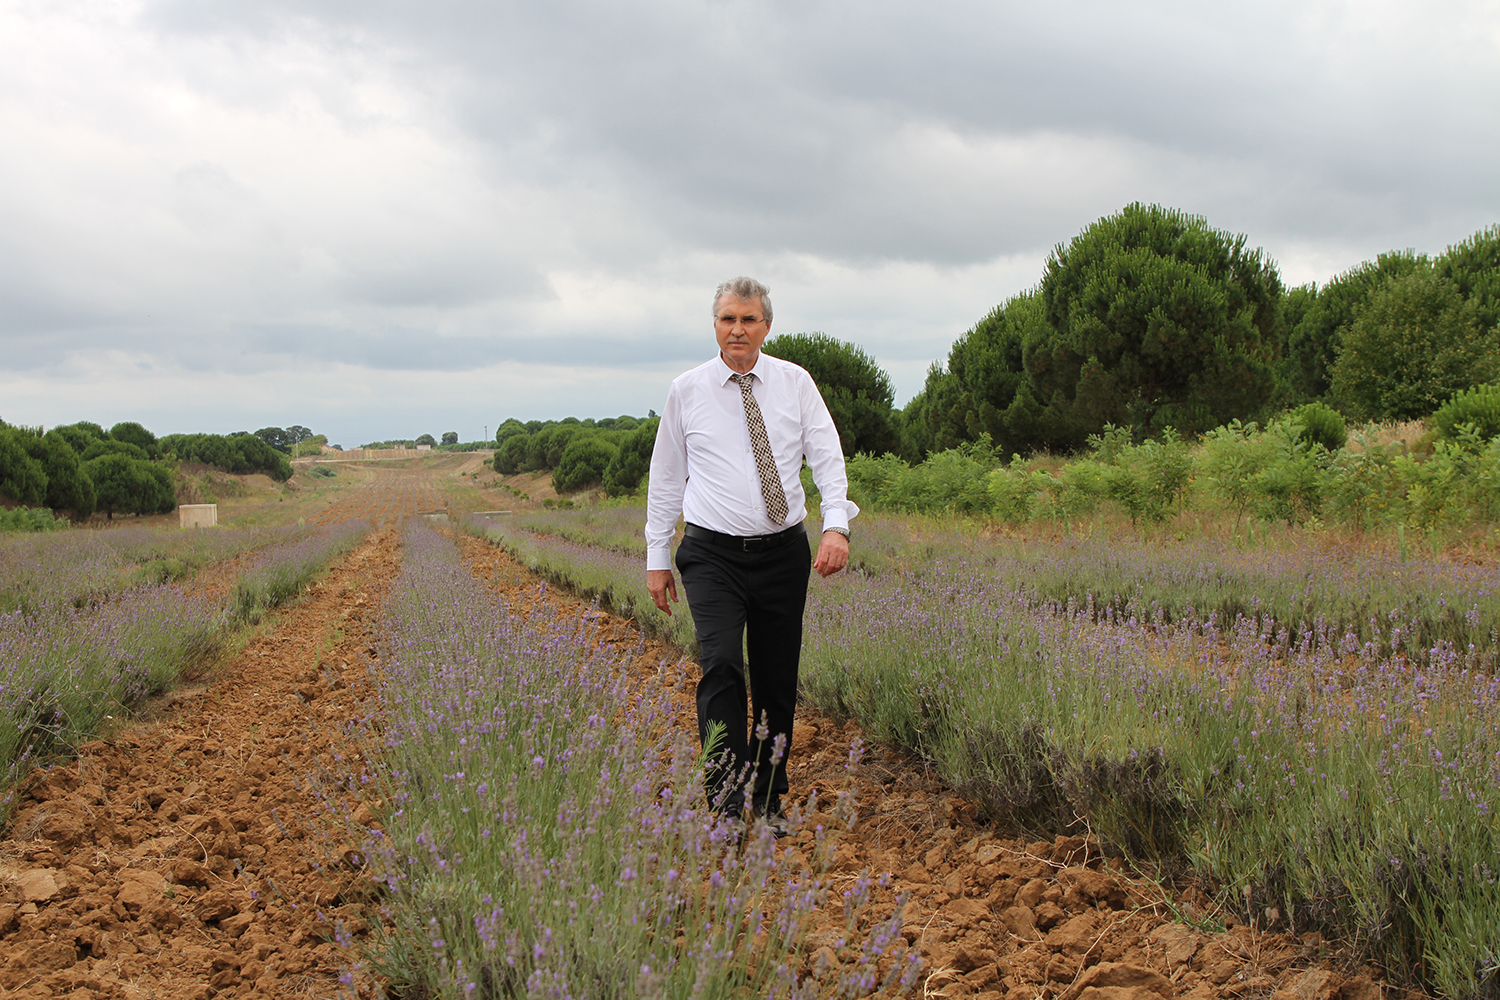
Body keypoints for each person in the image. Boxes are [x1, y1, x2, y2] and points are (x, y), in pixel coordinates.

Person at [646, 276, 858, 833]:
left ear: (766, 325)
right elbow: (666, 477)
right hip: (710, 553)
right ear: (714, 325)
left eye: (748, 320)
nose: (737, 330)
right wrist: (656, 554)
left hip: (782, 553)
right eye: (727, 319)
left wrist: (836, 526)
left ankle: (766, 799)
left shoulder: (795, 383)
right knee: (720, 666)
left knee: (775, 676)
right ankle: (725, 804)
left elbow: (828, 459)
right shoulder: (686, 390)